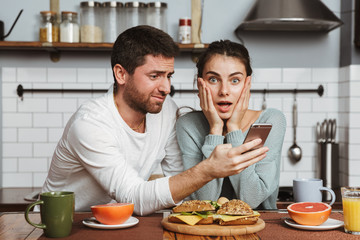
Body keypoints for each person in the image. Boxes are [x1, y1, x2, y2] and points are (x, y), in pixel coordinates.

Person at [41, 26, 269, 216]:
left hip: (123, 222)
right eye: (154, 76)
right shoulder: (90, 124)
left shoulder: (167, 111)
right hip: (69, 224)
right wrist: (208, 169)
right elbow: (134, 197)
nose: (166, 88)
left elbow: (182, 184)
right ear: (121, 74)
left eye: (168, 76)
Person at [176, 40, 286, 209]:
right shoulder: (188, 125)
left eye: (235, 80)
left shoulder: (269, 121)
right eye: (213, 79)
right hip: (206, 229)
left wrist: (234, 129)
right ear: (200, 84)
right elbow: (203, 202)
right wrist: (215, 131)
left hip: (259, 228)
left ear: (247, 85)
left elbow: (252, 199)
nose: (224, 91)